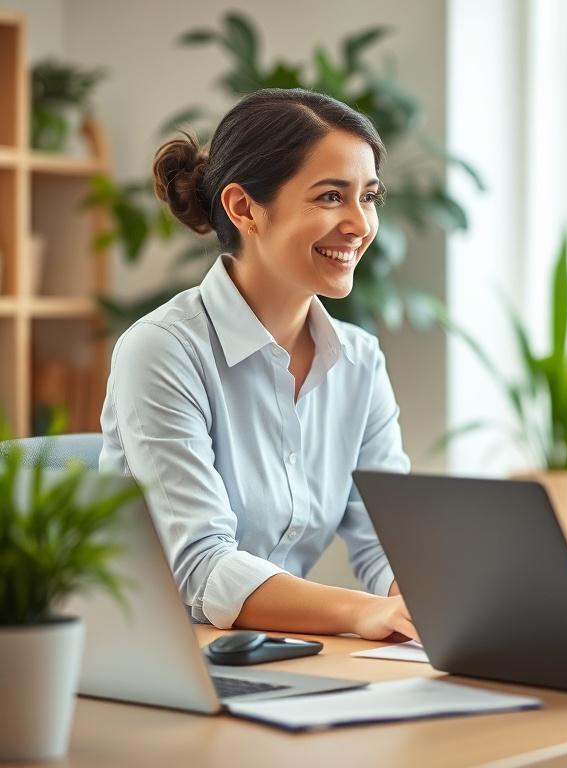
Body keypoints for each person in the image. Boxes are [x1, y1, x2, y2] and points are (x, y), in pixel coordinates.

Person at [99, 88, 417, 642]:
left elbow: (388, 543)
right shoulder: (162, 350)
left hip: (278, 657)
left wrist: (447, 604)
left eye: (369, 196)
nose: (360, 224)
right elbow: (203, 568)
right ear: (244, 207)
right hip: (166, 665)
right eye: (329, 197)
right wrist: (367, 612)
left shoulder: (359, 361)